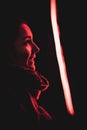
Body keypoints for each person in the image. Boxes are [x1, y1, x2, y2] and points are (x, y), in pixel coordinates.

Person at [0, 17, 58, 129]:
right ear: (7, 50)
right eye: (27, 41)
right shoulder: (11, 100)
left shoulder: (25, 95)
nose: (37, 48)